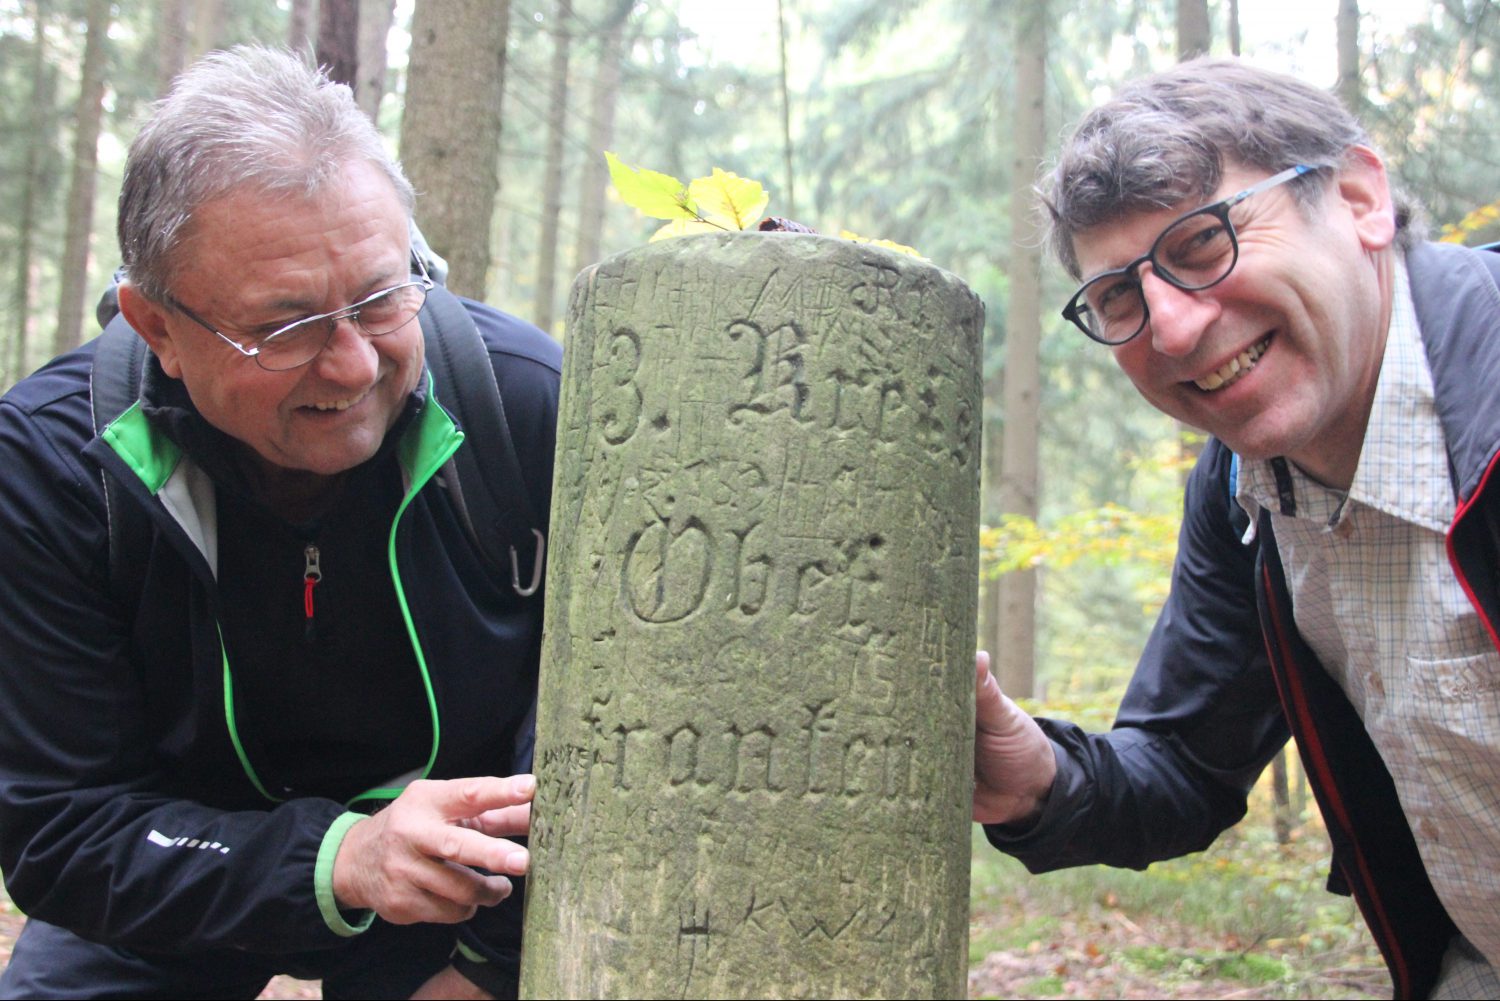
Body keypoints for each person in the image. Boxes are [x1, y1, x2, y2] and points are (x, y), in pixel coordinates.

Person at [0, 47, 560, 999]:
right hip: (177, 877)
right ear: (157, 329)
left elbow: (589, 747)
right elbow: (61, 826)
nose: (349, 366)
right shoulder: (55, 469)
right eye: (286, 325)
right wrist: (341, 857)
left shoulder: (522, 410)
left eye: (381, 298)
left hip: (469, 894)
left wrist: (486, 969)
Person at [971, 59, 1500, 1000]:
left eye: (1204, 242)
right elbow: (1185, 763)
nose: (1170, 329)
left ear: (1358, 198)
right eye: (1121, 298)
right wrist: (1036, 778)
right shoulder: (1240, 494)